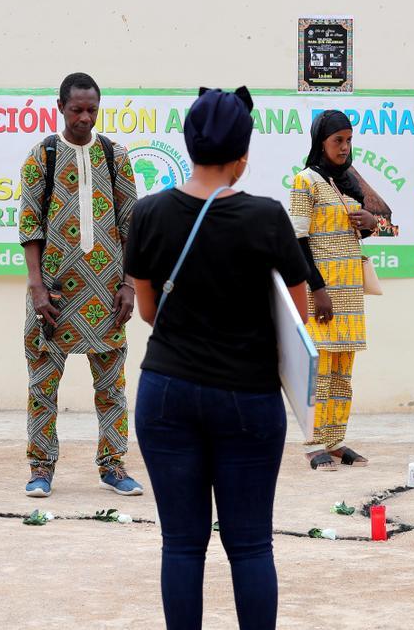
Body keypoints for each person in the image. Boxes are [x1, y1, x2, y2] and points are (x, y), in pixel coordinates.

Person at [126, 86, 310, 630]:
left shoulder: (148, 213)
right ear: (242, 155)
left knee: (182, 545)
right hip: (248, 397)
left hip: (166, 391)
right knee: (250, 545)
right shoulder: (267, 217)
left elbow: (148, 310)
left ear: (188, 145)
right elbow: (295, 319)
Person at [18, 72, 142, 498]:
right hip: (54, 293)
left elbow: (132, 226)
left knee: (111, 388)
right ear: (60, 107)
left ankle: (113, 465)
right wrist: (36, 287)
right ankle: (41, 467)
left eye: (92, 110)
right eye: (77, 110)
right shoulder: (42, 157)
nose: (85, 118)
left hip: (107, 294)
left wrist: (129, 284)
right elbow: (30, 227)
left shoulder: (115, 156)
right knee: (43, 386)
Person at [289, 109, 378, 471]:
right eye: (337, 140)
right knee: (320, 373)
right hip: (322, 292)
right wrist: (317, 289)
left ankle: (336, 440)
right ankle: (314, 444)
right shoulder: (305, 181)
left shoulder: (349, 182)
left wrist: (371, 224)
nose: (344, 147)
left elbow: (360, 228)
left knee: (343, 372)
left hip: (350, 292)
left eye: (349, 140)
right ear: (320, 142)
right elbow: (297, 241)